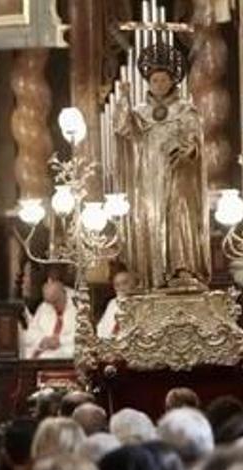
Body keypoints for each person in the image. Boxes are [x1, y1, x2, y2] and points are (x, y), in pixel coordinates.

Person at [116, 41, 209, 289]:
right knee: (151, 219)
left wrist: (189, 150)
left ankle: (182, 268)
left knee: (178, 217)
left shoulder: (185, 110)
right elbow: (123, 128)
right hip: (148, 177)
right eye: (154, 80)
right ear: (148, 83)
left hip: (178, 173)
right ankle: (152, 275)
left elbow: (196, 140)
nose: (158, 84)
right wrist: (124, 97)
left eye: (163, 80)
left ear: (172, 81)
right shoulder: (140, 112)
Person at [22, 278, 77, 359]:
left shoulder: (79, 306)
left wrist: (60, 341)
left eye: (55, 301)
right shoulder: (44, 306)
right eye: (50, 303)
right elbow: (31, 332)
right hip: (40, 354)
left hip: (66, 355)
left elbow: (84, 337)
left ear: (63, 293)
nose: (53, 306)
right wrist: (43, 340)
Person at [97, 270, 136, 339]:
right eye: (117, 285)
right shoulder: (112, 303)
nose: (121, 287)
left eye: (125, 283)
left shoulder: (138, 302)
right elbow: (102, 326)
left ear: (133, 283)